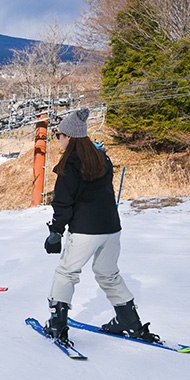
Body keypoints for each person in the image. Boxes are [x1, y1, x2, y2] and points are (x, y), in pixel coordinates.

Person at [43, 109, 159, 346]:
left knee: (66, 273)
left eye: (60, 135)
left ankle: (57, 324)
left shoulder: (70, 163)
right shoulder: (102, 158)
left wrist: (56, 232)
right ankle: (130, 321)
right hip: (111, 228)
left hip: (86, 230)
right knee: (108, 273)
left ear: (69, 136)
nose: (59, 140)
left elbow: (63, 202)